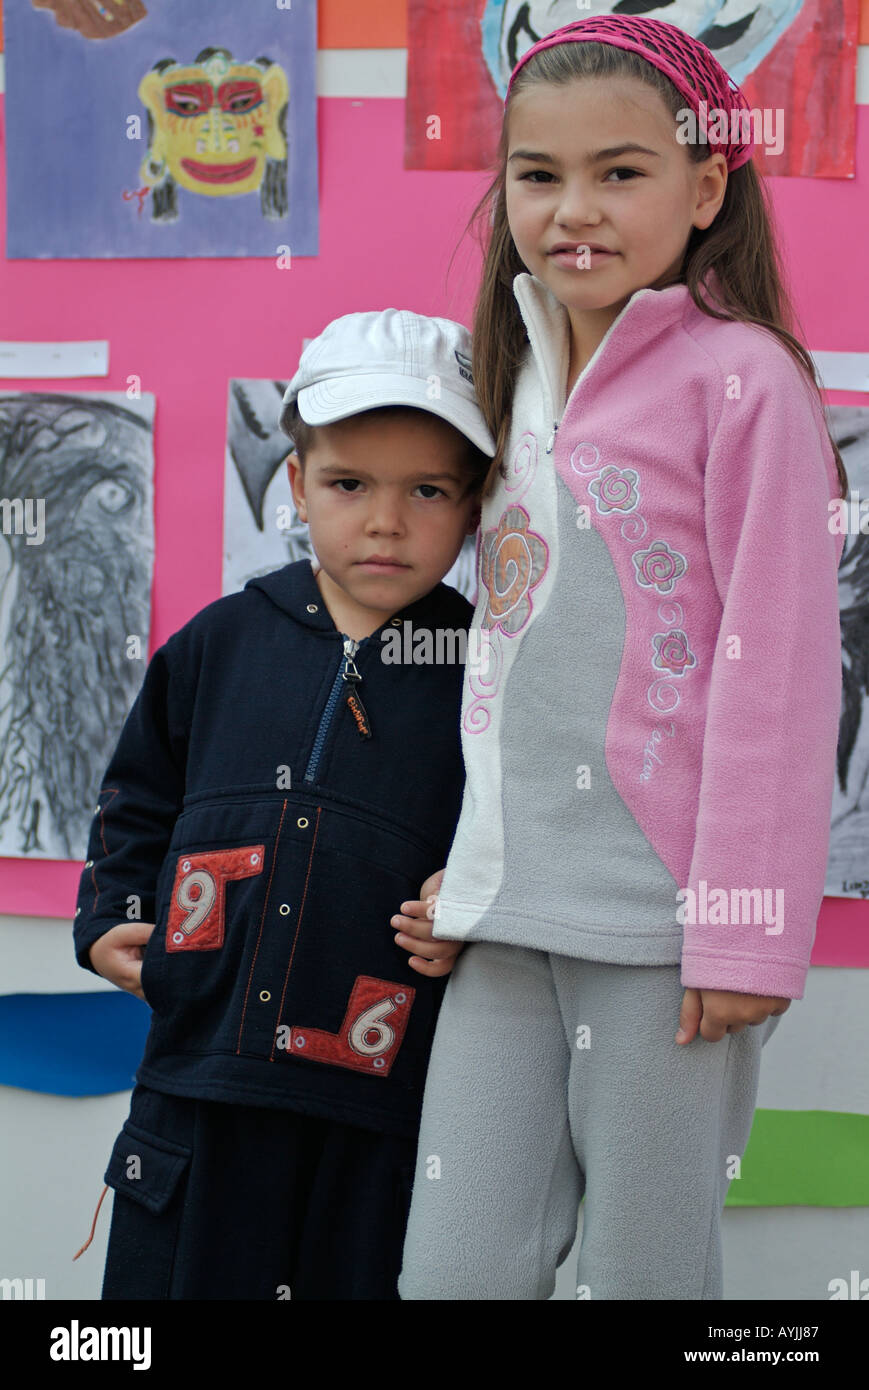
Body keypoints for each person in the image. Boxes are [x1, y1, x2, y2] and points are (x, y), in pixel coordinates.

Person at [394, 16, 847, 1300]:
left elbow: (778, 678)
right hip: (505, 920)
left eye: (620, 171)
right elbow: (510, 668)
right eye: (536, 175)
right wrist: (471, 868)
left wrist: (745, 933)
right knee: (453, 1271)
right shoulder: (511, 372)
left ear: (706, 187)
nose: (571, 208)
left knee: (642, 1278)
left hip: (665, 928)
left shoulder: (743, 384)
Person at [72, 308, 494, 1300]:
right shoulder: (219, 641)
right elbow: (134, 796)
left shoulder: (489, 674)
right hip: (194, 1084)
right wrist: (113, 919)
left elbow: (517, 832)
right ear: (296, 484)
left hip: (374, 1111)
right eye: (349, 484)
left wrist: (474, 896)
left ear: (474, 505)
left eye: (426, 490)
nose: (384, 521)